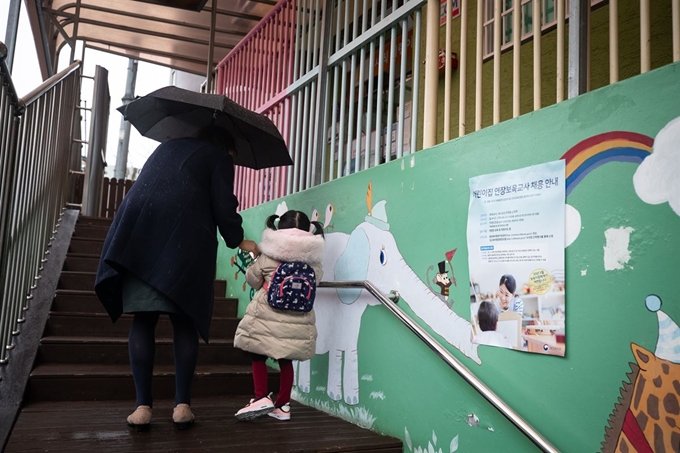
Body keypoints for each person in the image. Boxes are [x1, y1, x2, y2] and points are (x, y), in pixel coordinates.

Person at [94, 126, 259, 431]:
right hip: (184, 242)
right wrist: (238, 240)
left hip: (139, 235)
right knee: (185, 321)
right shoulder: (219, 156)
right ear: (228, 147)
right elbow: (224, 207)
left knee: (143, 320)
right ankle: (181, 406)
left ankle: (142, 407)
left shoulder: (166, 148)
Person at [233, 211, 325, 421]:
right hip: (299, 319)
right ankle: (283, 406)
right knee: (286, 360)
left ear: (278, 229)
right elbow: (317, 281)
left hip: (267, 314)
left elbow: (253, 279)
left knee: (257, 354)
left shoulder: (269, 256)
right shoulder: (314, 262)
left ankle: (261, 397)